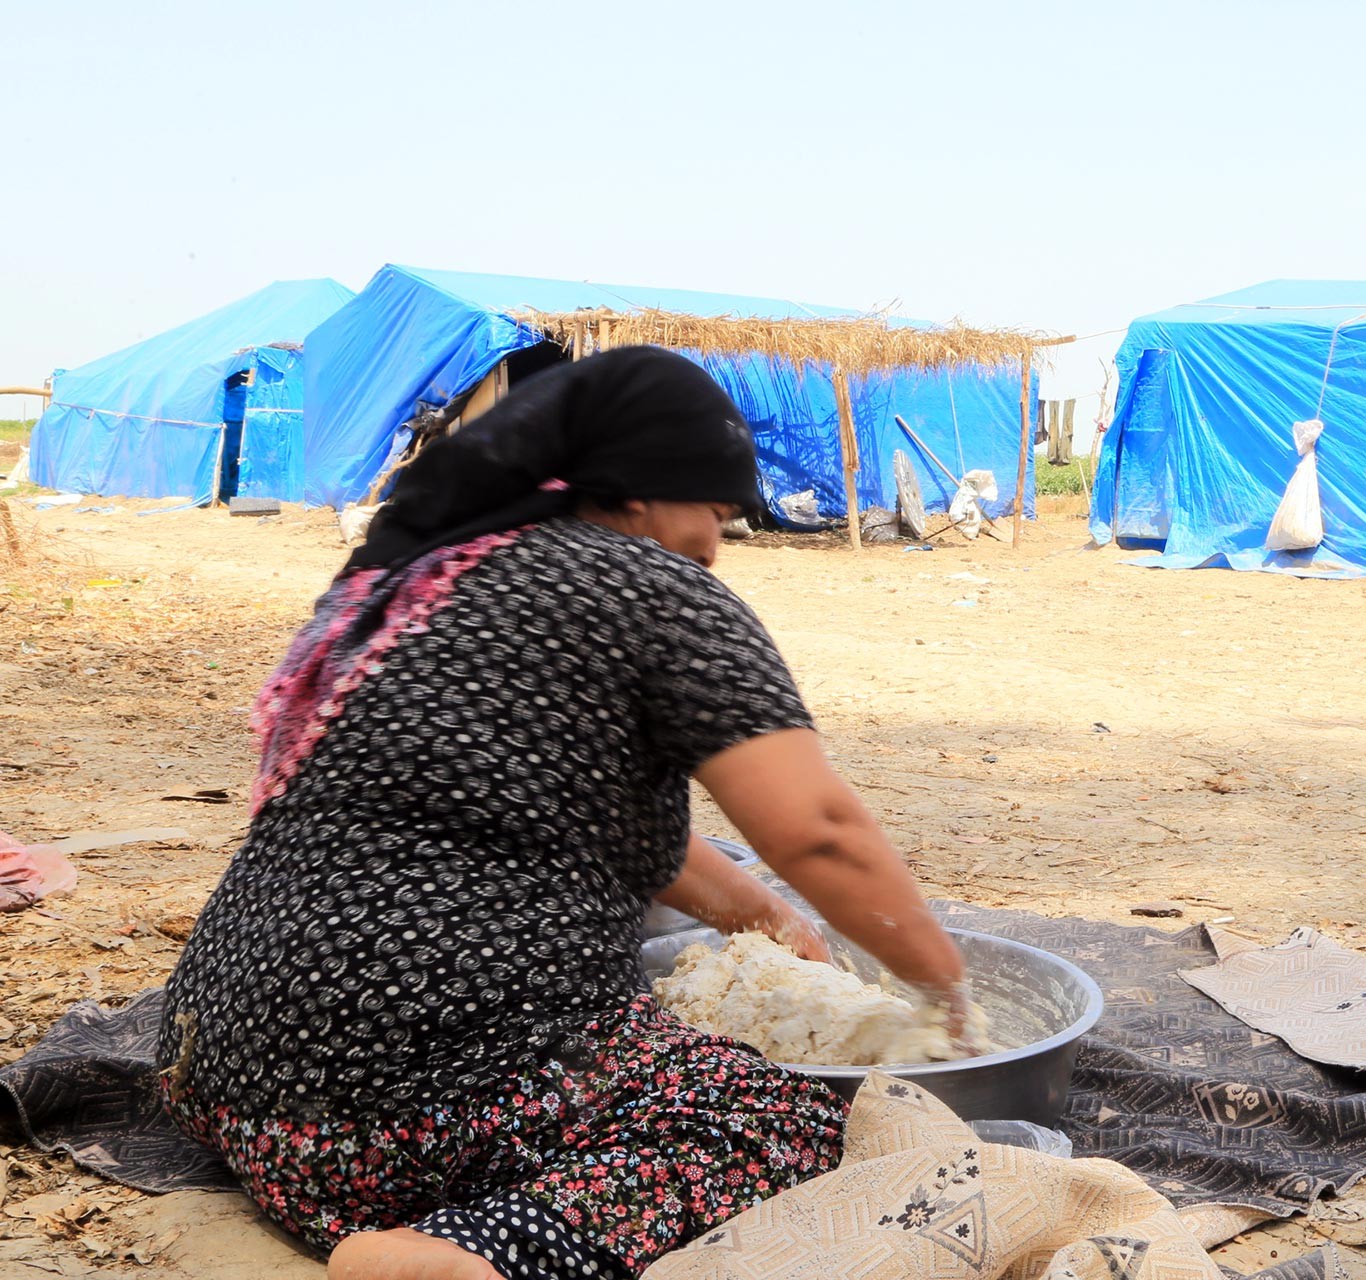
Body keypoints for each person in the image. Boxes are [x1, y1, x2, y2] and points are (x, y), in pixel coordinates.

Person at [156, 347, 970, 1280]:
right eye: (713, 506)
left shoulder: (402, 587)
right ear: (638, 490)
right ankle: (463, 1252)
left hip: (228, 1090)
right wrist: (941, 991)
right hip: (405, 1119)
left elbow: (579, 825)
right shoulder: (650, 587)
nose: (715, 540)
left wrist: (774, 919)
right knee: (794, 1124)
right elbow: (816, 829)